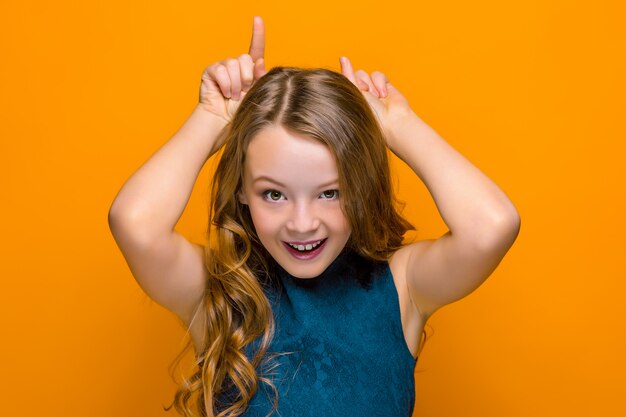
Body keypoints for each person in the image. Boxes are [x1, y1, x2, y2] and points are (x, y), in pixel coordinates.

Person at [108, 16, 520, 417]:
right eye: (274, 194)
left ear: (359, 187)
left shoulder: (401, 287)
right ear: (241, 191)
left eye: (329, 193)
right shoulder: (217, 294)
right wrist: (211, 119)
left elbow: (491, 226)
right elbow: (135, 224)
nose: (302, 222)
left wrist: (398, 125)